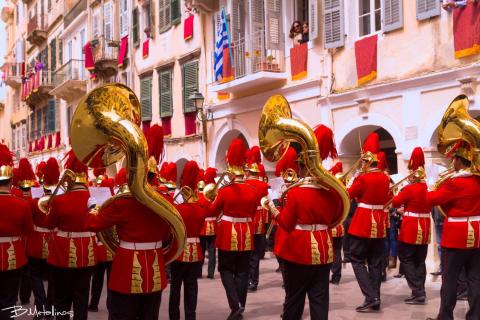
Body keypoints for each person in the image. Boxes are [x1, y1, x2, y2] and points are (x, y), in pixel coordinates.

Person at [267, 124, 346, 320]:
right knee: (319, 299)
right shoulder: (331, 192)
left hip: (299, 251)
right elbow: (336, 217)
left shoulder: (295, 192)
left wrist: (272, 207)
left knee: (294, 299)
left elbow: (285, 223)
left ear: (301, 166)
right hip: (323, 248)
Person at [426, 141, 480, 320]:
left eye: (454, 159)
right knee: (475, 279)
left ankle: (445, 317)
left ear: (458, 160)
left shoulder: (454, 183)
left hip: (456, 236)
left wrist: (431, 185)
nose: (452, 162)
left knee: (449, 279)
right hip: (477, 235)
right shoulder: (477, 180)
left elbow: (432, 199)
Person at [208, 138, 259, 320]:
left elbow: (212, 211)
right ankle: (240, 305)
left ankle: (235, 304)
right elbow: (253, 213)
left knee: (226, 269)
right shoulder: (253, 190)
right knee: (243, 270)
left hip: (228, 232)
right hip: (245, 232)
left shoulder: (225, 190)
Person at [45, 150, 97, 320]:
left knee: (62, 299)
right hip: (87, 254)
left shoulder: (59, 200)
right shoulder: (94, 198)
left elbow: (49, 224)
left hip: (63, 254)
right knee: (81, 298)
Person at [347, 133, 391, 312]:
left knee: (356, 258)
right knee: (374, 262)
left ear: (366, 161)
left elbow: (349, 194)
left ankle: (370, 295)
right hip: (379, 223)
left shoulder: (363, 178)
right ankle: (376, 298)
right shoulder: (385, 178)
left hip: (363, 221)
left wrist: (352, 183)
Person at [391, 147, 431, 305]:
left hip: (411, 227)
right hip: (425, 226)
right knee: (420, 260)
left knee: (406, 258)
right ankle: (420, 290)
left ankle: (417, 291)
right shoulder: (428, 186)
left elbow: (395, 201)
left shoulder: (410, 188)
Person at [169, 161, 208, 320]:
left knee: (175, 288)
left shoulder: (176, 208)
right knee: (191, 288)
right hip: (195, 252)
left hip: (178, 251)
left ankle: (174, 317)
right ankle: (190, 317)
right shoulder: (200, 207)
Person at [0, 143, 34, 320]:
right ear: (12, 180)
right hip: (14, 256)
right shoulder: (21, 204)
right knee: (9, 299)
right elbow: (28, 231)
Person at [26, 157, 59, 314]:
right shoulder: (59, 201)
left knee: (35, 275)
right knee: (53, 277)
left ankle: (41, 307)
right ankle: (51, 307)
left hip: (36, 242)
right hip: (53, 242)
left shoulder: (34, 202)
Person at [88, 168, 115, 313]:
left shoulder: (97, 206)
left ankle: (94, 303)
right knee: (111, 279)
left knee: (98, 279)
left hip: (100, 247)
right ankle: (111, 304)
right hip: (112, 249)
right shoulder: (115, 204)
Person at [245, 146, 269, 292]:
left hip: (248, 219)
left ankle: (248, 279)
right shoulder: (263, 185)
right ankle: (254, 281)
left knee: (248, 252)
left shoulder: (245, 184)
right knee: (255, 254)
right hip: (260, 219)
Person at [199, 167, 218, 279]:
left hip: (202, 226)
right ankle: (210, 273)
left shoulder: (200, 197)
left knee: (201, 250)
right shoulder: (216, 196)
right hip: (213, 225)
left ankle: (198, 272)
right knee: (212, 251)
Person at [329, 162, 344, 285]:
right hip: (340, 227)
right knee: (337, 251)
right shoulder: (344, 193)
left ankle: (335, 275)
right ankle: (337, 275)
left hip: (332, 225)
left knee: (333, 252)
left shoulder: (332, 193)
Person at [430, 206, 444, 276]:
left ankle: (445, 268)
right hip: (437, 221)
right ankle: (442, 268)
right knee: (439, 246)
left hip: (447, 220)